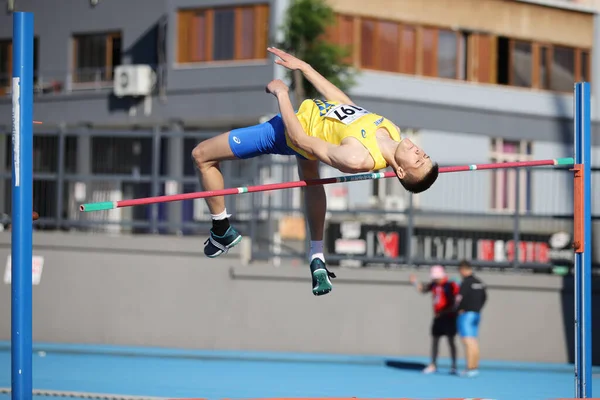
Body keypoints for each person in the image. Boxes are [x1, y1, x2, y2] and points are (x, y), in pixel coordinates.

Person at [192, 47, 439, 296]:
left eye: (418, 162)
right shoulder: (392, 130)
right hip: (310, 125)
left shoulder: (357, 157)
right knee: (311, 180)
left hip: (285, 131)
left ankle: (221, 229)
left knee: (201, 155)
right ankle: (317, 256)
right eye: (425, 155)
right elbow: (346, 105)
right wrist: (305, 68)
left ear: (400, 172)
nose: (419, 153)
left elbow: (299, 139)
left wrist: (282, 94)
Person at [409, 265, 460, 375]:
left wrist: (447, 311)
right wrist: (415, 282)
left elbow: (456, 301)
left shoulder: (450, 285)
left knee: (451, 341)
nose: (435, 279)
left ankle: (454, 366)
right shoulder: (433, 285)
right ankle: (433, 364)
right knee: (435, 341)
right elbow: (423, 290)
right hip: (438, 318)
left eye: (437, 277)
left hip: (449, 317)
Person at [456, 260, 487, 378]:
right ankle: (474, 367)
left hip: (466, 315)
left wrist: (460, 309)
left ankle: (470, 368)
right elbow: (484, 297)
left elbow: (459, 298)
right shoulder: (480, 282)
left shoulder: (466, 283)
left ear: (463, 270)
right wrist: (477, 308)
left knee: (468, 341)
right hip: (476, 314)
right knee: (473, 341)